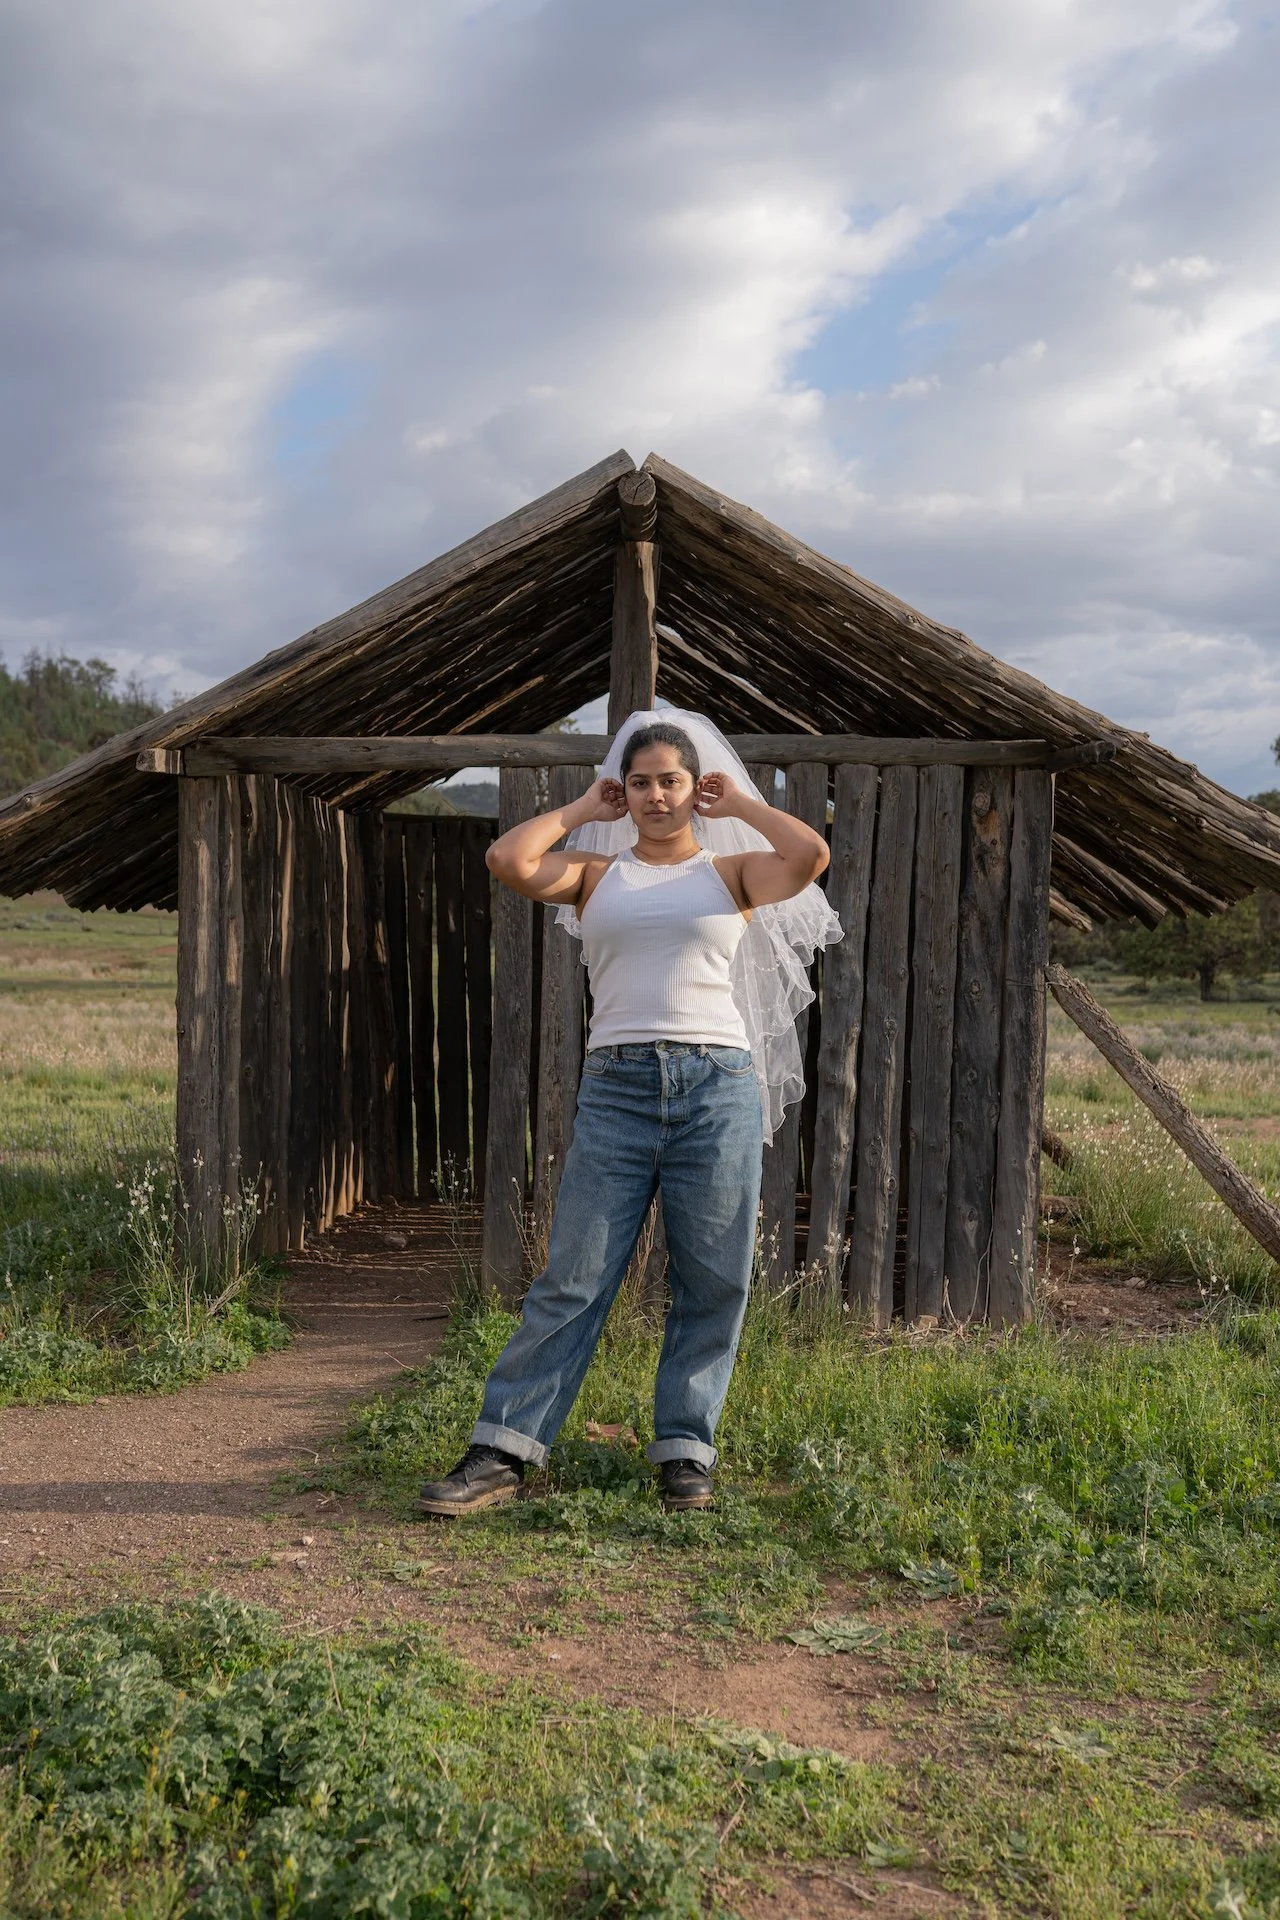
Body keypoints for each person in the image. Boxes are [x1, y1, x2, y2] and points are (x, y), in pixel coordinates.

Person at [416, 709, 839, 1517]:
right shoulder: (594, 875)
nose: (655, 795)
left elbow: (810, 855)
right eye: (641, 781)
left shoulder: (733, 873)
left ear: (695, 787)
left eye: (670, 782)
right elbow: (508, 857)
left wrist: (739, 806)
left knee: (712, 1276)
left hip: (716, 1085)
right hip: (617, 1086)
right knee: (573, 1276)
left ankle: (686, 1453)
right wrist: (583, 810)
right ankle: (502, 1452)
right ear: (625, 787)